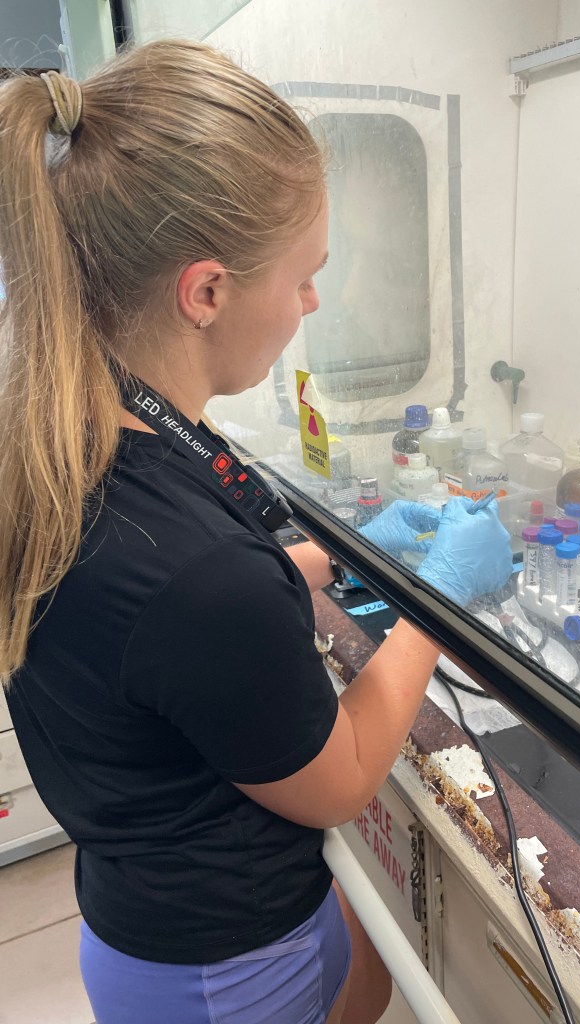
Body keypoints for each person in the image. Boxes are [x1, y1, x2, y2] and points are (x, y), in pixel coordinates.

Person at [0, 40, 513, 1024]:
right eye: (304, 275)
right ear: (206, 292)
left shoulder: (85, 431)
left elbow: (167, 629)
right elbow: (341, 779)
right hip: (221, 974)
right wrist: (436, 600)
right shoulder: (191, 572)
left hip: (153, 916)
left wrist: (343, 557)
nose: (311, 302)